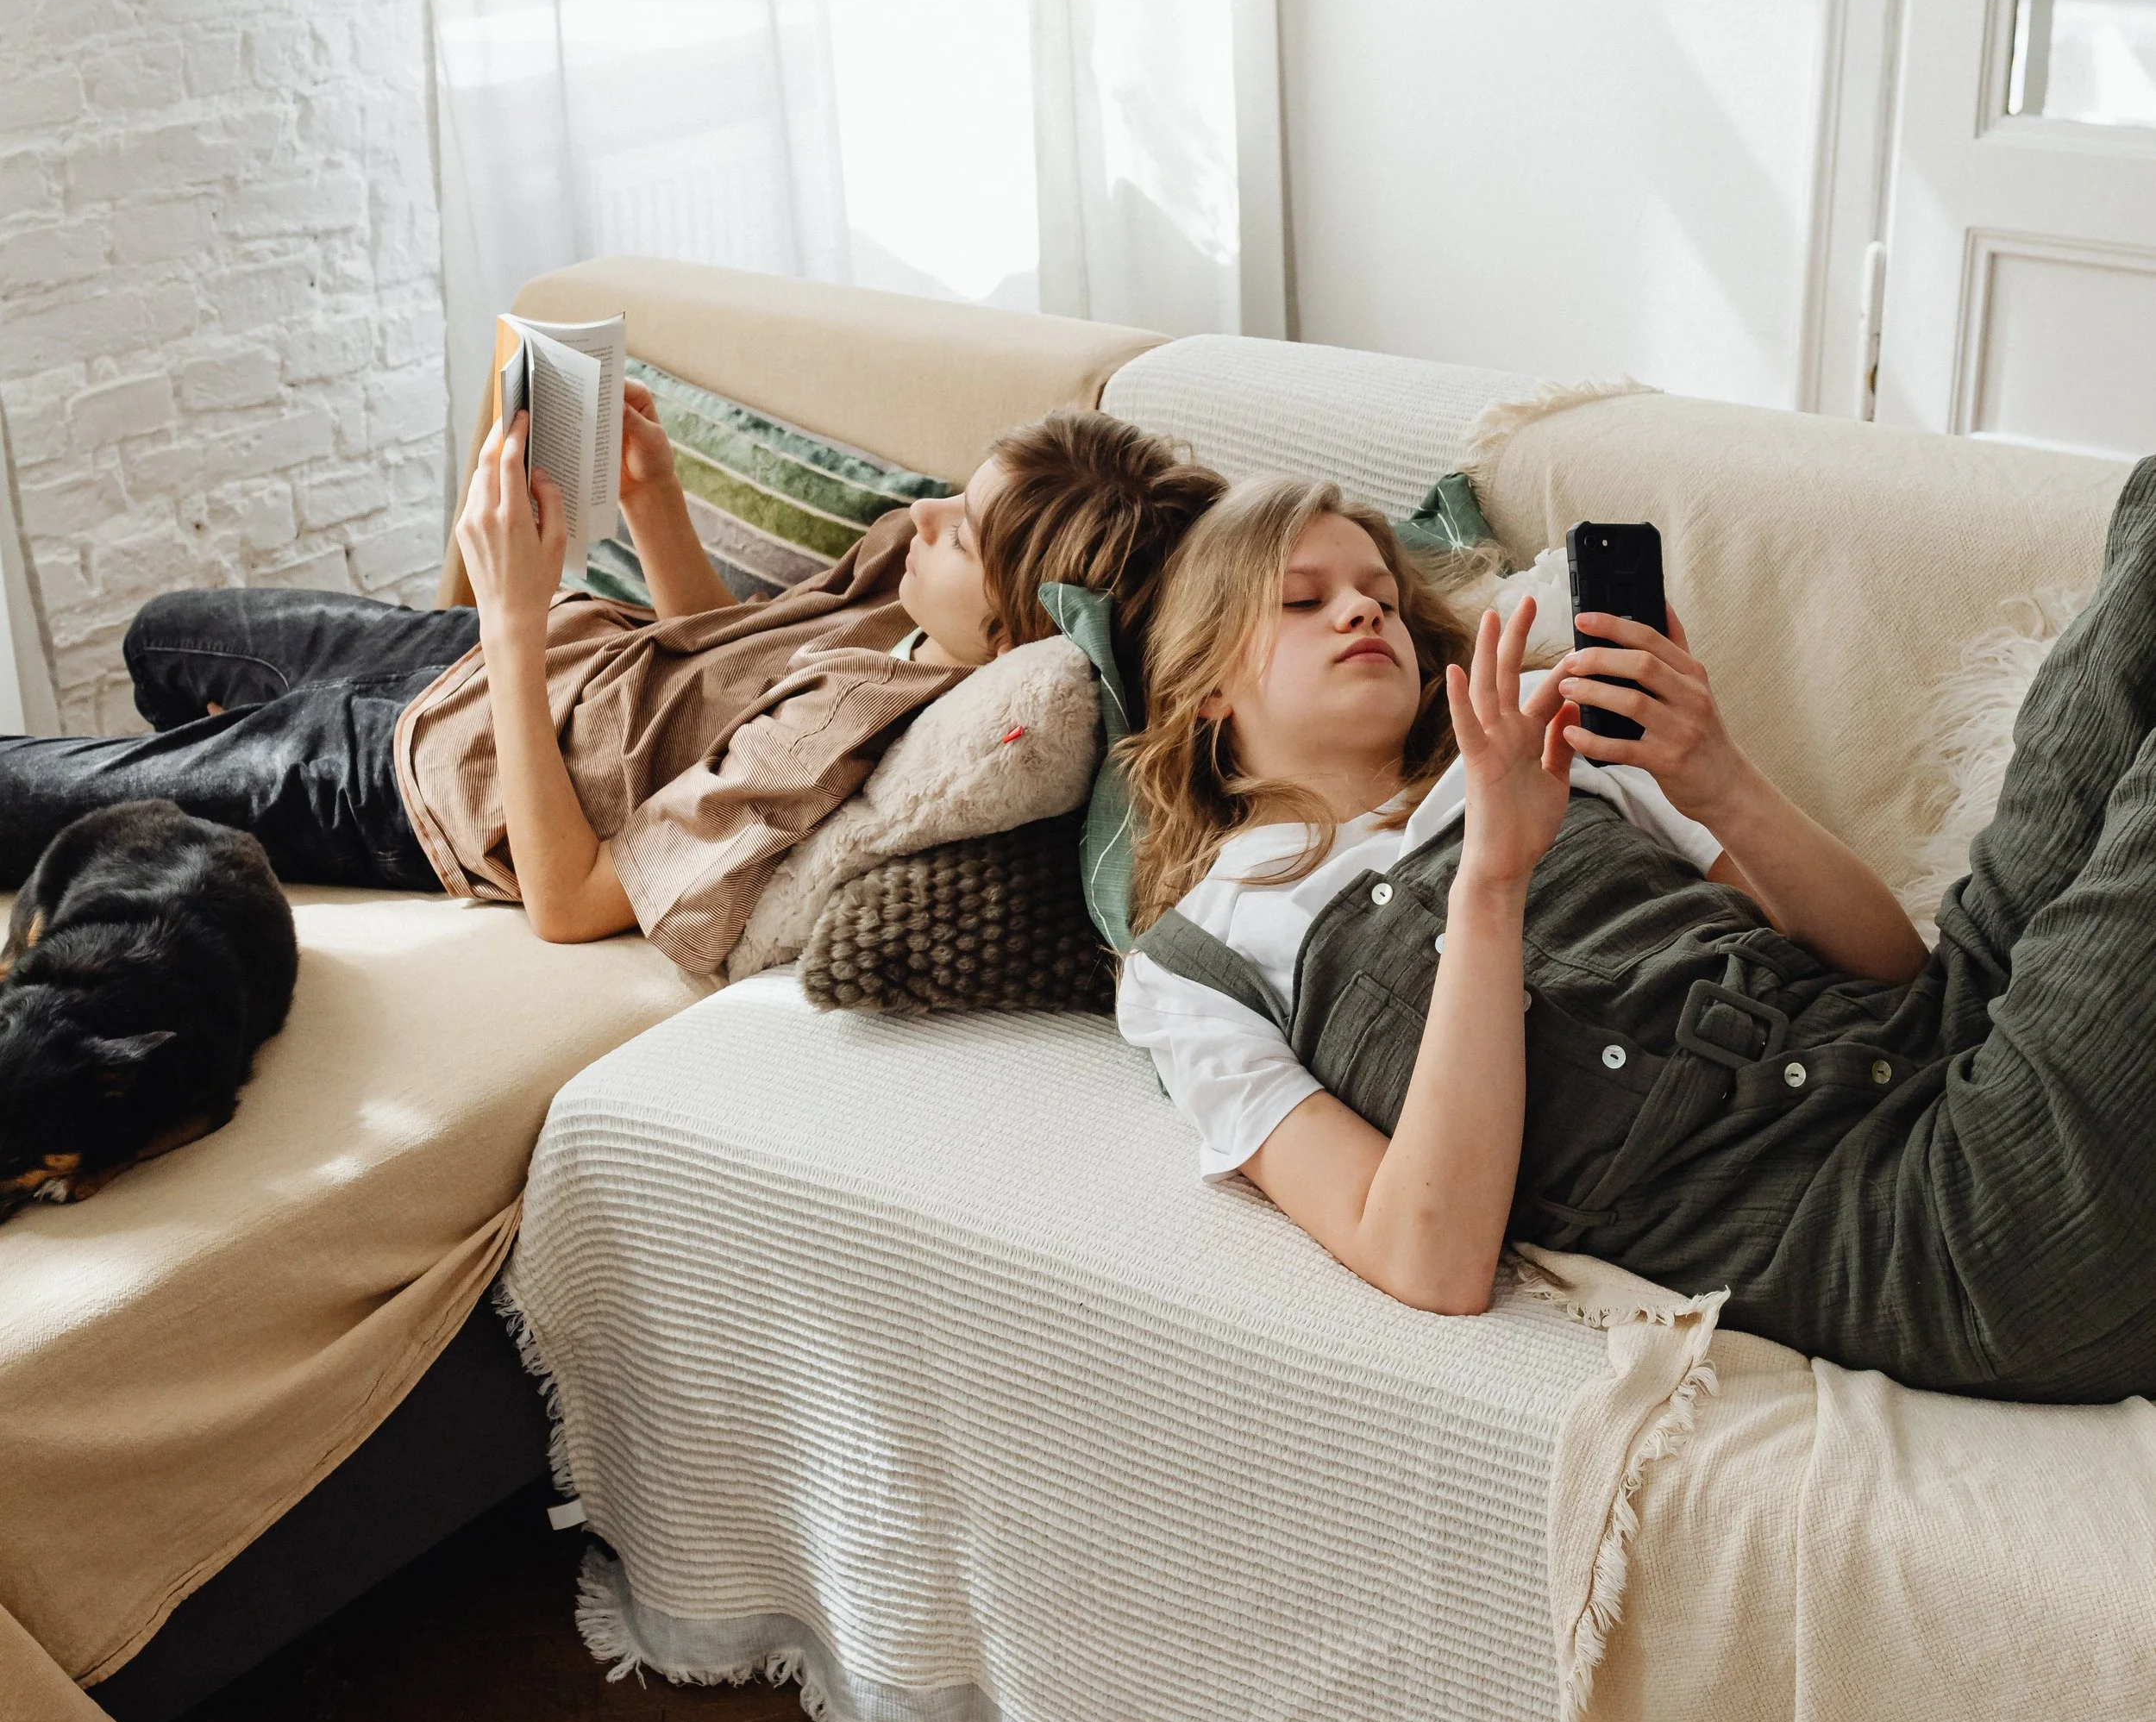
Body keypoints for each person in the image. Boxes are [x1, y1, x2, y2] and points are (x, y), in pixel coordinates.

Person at [1116, 465, 2156, 1404]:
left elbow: (1893, 970)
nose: (1360, 611)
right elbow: (1427, 1258)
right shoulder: (1195, 965)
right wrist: (1491, 881)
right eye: (1305, 601)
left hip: (1947, 1036)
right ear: (1205, 682)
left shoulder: (1541, 728)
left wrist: (1721, 780)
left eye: (1380, 595)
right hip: (1934, 1226)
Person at [0, 396, 1222, 983]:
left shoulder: (851, 742)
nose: (921, 515)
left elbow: (576, 899)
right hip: (501, 662)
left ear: (1010, 628)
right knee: (167, 637)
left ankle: (211, 804)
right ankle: (194, 800)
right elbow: (726, 664)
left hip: (425, 775)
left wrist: (517, 608)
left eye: (959, 529)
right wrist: (651, 500)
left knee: (23, 790)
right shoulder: (909, 600)